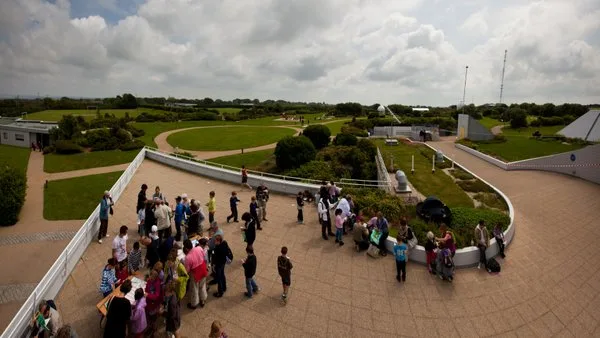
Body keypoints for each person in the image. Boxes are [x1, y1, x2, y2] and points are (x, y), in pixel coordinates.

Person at [184, 239, 208, 309]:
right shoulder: (199, 248)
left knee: (194, 288)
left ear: (185, 248)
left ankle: (194, 303)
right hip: (203, 269)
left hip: (195, 273)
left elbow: (187, 270)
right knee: (203, 285)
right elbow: (204, 256)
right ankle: (203, 300)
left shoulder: (187, 257)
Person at [144, 270, 161, 337]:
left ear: (155, 278)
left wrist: (148, 295)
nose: (150, 279)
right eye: (150, 277)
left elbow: (156, 296)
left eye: (151, 278)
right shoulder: (149, 280)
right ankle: (149, 326)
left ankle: (153, 330)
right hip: (148, 303)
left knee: (152, 317)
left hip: (153, 305)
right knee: (148, 316)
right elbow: (147, 287)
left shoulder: (157, 284)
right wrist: (145, 291)